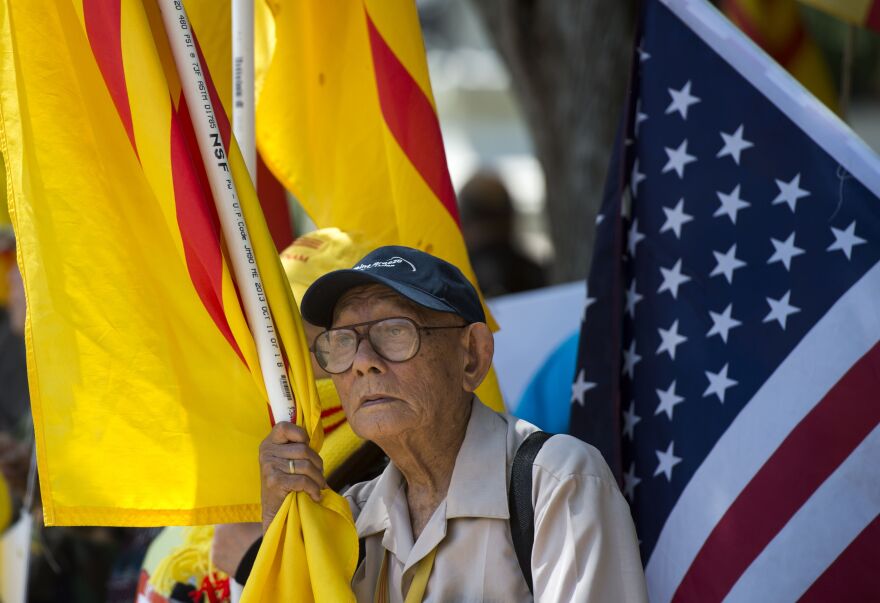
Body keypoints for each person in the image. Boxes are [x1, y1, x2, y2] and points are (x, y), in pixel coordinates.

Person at [259, 245, 648, 601]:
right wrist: (282, 530)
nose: (363, 361)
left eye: (395, 331)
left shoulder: (554, 482)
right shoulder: (351, 520)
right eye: (343, 341)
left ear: (472, 356)